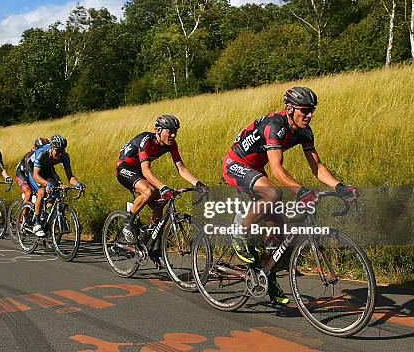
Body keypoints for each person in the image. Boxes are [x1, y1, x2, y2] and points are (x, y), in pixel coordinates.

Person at [222, 86, 359, 305]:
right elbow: (277, 170)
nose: (310, 115)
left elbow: (318, 167)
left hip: (256, 169)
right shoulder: (275, 126)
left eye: (312, 110)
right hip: (236, 163)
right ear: (289, 108)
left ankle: (267, 276)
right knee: (273, 193)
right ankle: (239, 233)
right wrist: (302, 191)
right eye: (305, 110)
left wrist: (340, 187)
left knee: (275, 233)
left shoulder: (305, 131)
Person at [116, 115, 209, 244]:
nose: (173, 135)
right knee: (148, 191)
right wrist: (163, 187)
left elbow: (181, 168)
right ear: (158, 130)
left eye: (175, 131)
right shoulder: (146, 140)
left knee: (159, 203)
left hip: (139, 171)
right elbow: (146, 171)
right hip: (125, 168)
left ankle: (151, 239)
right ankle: (128, 221)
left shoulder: (171, 144)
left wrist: (199, 184)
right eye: (170, 131)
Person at [23, 135, 85, 237]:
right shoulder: (42, 153)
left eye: (62, 150)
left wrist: (78, 184)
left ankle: (45, 217)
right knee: (41, 192)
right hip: (32, 170)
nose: (60, 153)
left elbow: (70, 177)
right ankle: (37, 223)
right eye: (57, 150)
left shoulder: (64, 156)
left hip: (47, 169)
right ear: (51, 148)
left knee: (55, 193)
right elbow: (35, 175)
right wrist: (47, 184)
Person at [15, 137, 49, 205]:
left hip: (31, 173)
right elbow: (30, 173)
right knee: (28, 193)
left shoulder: (46, 156)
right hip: (22, 173)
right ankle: (22, 215)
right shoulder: (30, 155)